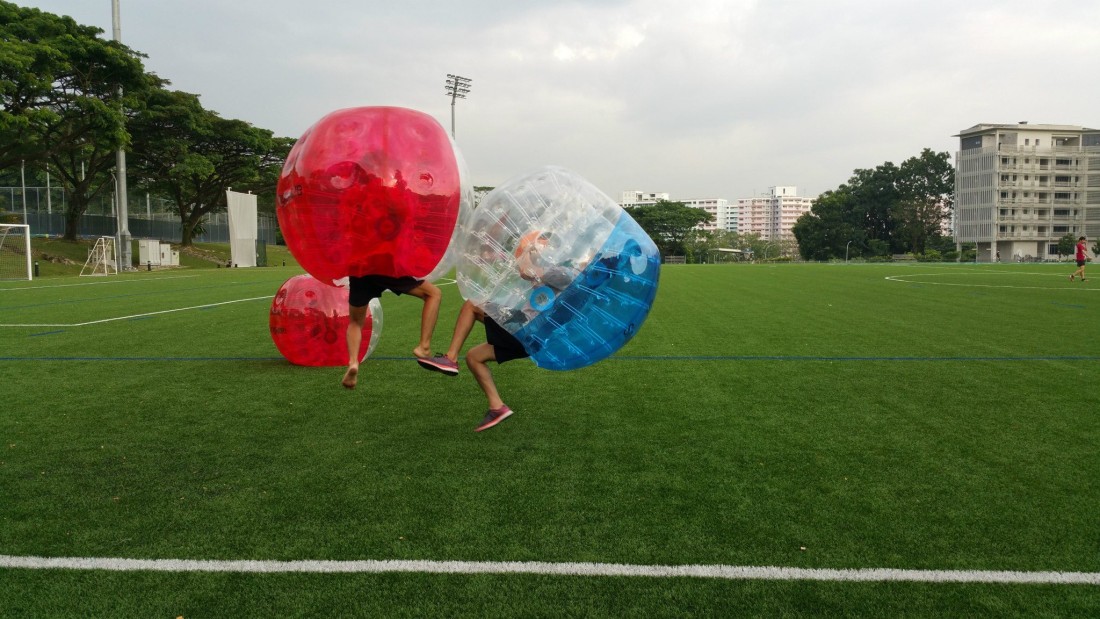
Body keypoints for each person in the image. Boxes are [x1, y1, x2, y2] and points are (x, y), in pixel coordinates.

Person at [342, 275, 443, 389]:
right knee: (433, 294)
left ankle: (353, 361)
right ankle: (424, 347)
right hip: (385, 269)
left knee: (355, 322)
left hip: (360, 274)